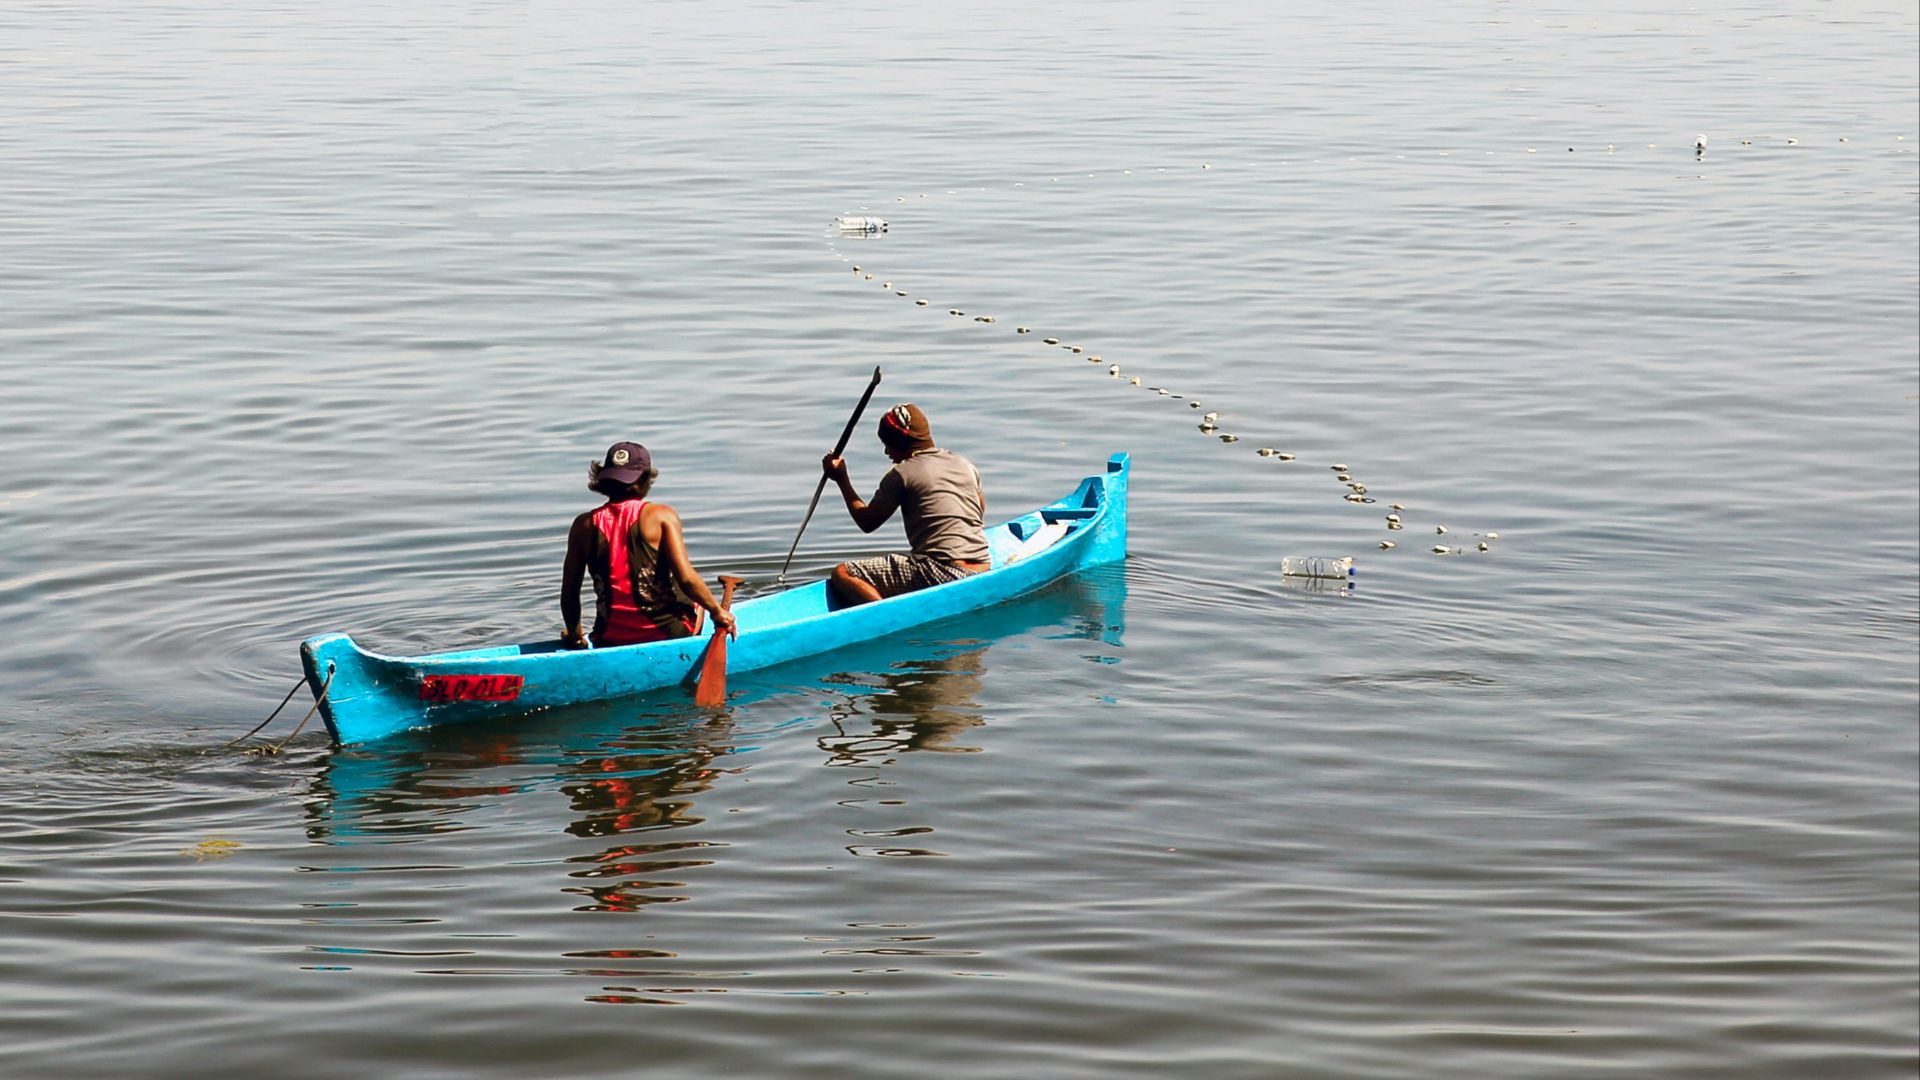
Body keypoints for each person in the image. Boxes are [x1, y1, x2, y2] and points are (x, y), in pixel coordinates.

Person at [561, 442, 736, 648]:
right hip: (667, 632)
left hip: (608, 638)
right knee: (697, 604)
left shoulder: (582, 525)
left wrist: (575, 633)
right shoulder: (662, 516)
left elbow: (570, 592)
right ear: (645, 479)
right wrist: (716, 611)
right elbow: (687, 580)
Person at [820, 402, 989, 607]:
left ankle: (886, 614)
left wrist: (842, 480)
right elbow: (978, 512)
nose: (886, 452)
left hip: (941, 572)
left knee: (844, 572)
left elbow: (867, 522)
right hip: (982, 568)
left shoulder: (902, 474)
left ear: (901, 442)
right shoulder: (964, 464)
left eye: (888, 444)